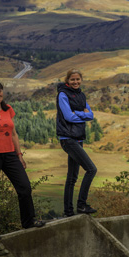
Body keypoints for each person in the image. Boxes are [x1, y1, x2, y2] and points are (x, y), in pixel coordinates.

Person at [0, 80, 45, 242]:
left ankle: (28, 221)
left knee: (25, 187)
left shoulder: (8, 109)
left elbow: (14, 134)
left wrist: (19, 155)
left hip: (10, 154)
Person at [55, 68, 97, 217]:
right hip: (68, 138)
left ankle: (68, 212)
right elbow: (68, 117)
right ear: (67, 80)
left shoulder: (81, 95)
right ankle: (81, 205)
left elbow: (91, 115)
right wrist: (82, 114)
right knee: (91, 170)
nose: (75, 82)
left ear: (81, 80)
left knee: (72, 177)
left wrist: (77, 113)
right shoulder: (62, 95)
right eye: (72, 79)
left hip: (78, 138)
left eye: (78, 79)